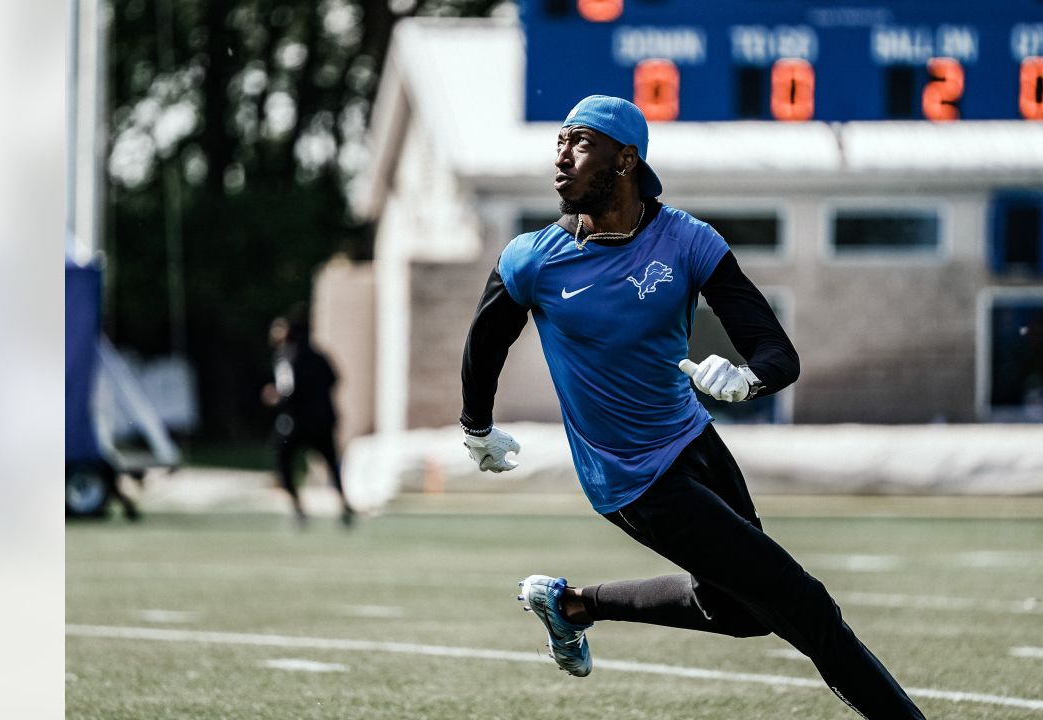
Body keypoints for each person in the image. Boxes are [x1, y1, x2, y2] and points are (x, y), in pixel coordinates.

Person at [458, 96, 926, 719]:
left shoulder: (688, 240)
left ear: (625, 159)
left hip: (695, 444)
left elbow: (775, 351)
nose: (560, 161)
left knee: (745, 613)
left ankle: (573, 604)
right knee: (803, 604)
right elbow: (485, 343)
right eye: (559, 145)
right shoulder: (531, 259)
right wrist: (477, 427)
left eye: (579, 144)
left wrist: (745, 380)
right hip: (632, 478)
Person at [261, 309, 355, 527]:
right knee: (331, 462)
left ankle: (297, 507)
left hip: (295, 422)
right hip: (323, 418)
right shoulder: (319, 355)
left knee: (282, 458)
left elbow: (288, 389)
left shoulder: (286, 357)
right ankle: (343, 503)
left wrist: (276, 397)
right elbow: (335, 379)